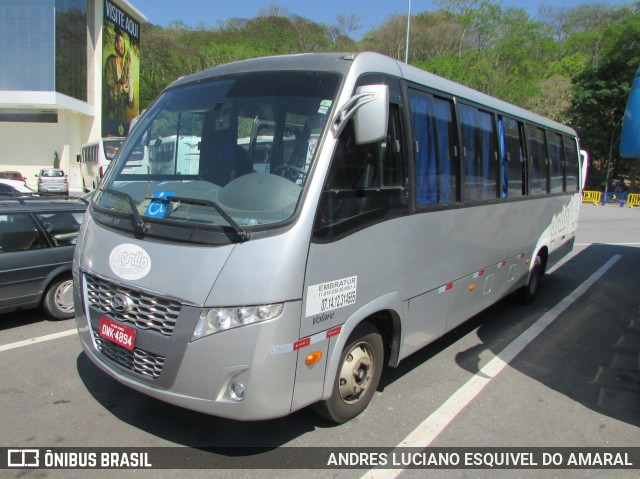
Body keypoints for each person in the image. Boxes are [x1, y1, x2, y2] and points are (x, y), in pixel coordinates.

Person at [103, 29, 133, 122]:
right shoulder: (111, 61)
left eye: (123, 42)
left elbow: (130, 101)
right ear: (116, 44)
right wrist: (120, 88)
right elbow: (108, 83)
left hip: (122, 114)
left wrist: (128, 87)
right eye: (120, 41)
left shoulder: (125, 65)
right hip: (111, 112)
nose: (122, 45)